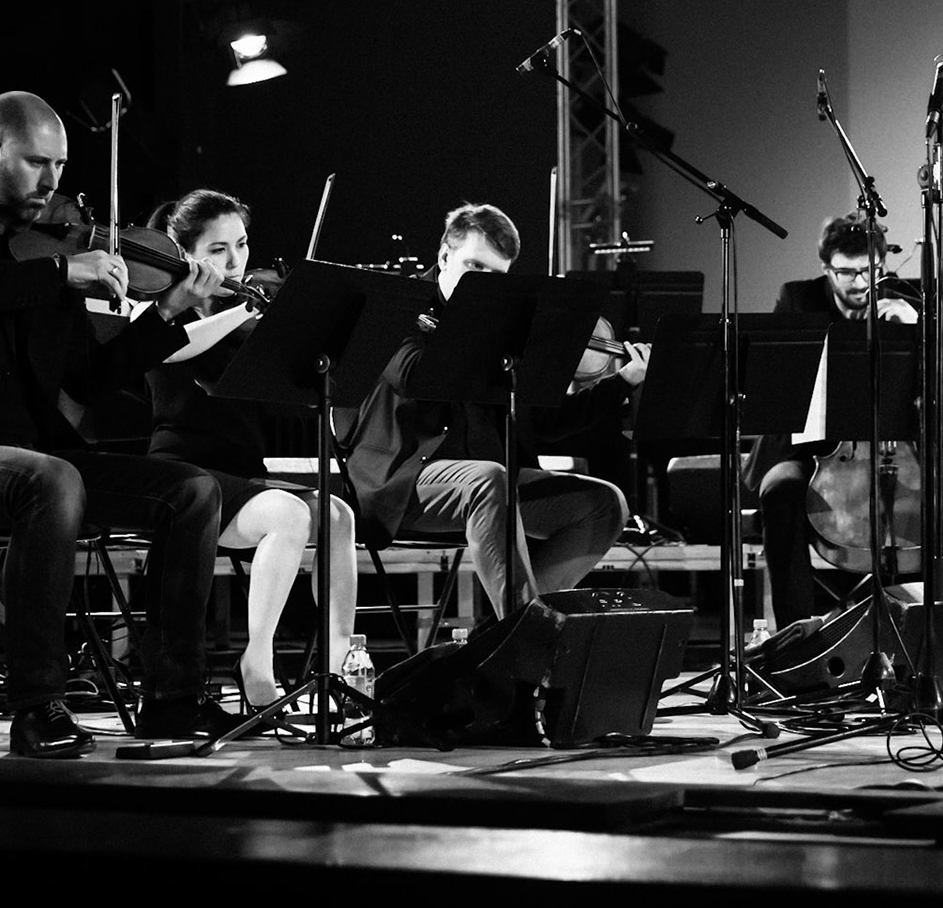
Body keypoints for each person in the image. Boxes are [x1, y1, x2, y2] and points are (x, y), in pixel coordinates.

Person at [0, 91, 231, 758]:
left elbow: (86, 381)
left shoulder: (54, 249)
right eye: (37, 163)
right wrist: (61, 272)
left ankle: (172, 698)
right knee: (53, 480)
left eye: (62, 166)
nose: (54, 183)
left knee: (193, 491)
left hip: (39, 455)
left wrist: (168, 315)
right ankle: (37, 706)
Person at [344, 203, 648, 620]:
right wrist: (480, 329)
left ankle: (513, 631)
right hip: (406, 482)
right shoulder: (399, 305)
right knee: (490, 478)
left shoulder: (505, 323)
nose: (484, 285)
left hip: (493, 485)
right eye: (474, 267)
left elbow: (545, 423)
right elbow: (413, 376)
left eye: (495, 277)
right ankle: (528, 636)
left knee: (603, 503)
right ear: (445, 256)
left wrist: (621, 383)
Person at [143, 189, 359, 714]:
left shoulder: (249, 320)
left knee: (337, 514)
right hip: (183, 478)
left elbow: (298, 399)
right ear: (182, 250)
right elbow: (180, 346)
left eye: (240, 244)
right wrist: (241, 314)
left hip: (242, 477)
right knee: (287, 514)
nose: (236, 261)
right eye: (218, 250)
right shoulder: (160, 310)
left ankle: (336, 668)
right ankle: (256, 664)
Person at [751, 212, 943, 632]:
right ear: (826, 269)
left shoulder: (914, 302)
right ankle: (799, 637)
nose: (859, 283)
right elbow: (783, 379)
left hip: (902, 454)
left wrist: (916, 329)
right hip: (816, 452)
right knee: (779, 493)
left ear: (882, 266)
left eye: (869, 271)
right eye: (846, 273)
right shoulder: (799, 299)